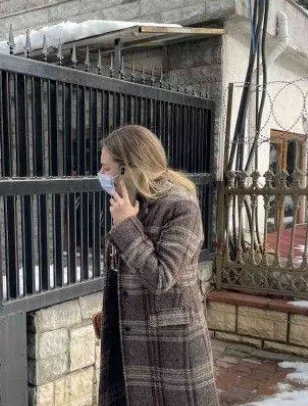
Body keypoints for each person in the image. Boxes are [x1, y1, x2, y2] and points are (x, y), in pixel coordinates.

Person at [94, 125, 219, 405]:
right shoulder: (131, 203)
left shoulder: (181, 207)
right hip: (126, 338)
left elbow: (162, 277)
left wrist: (126, 225)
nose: (101, 174)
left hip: (168, 349)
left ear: (129, 167)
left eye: (106, 167)